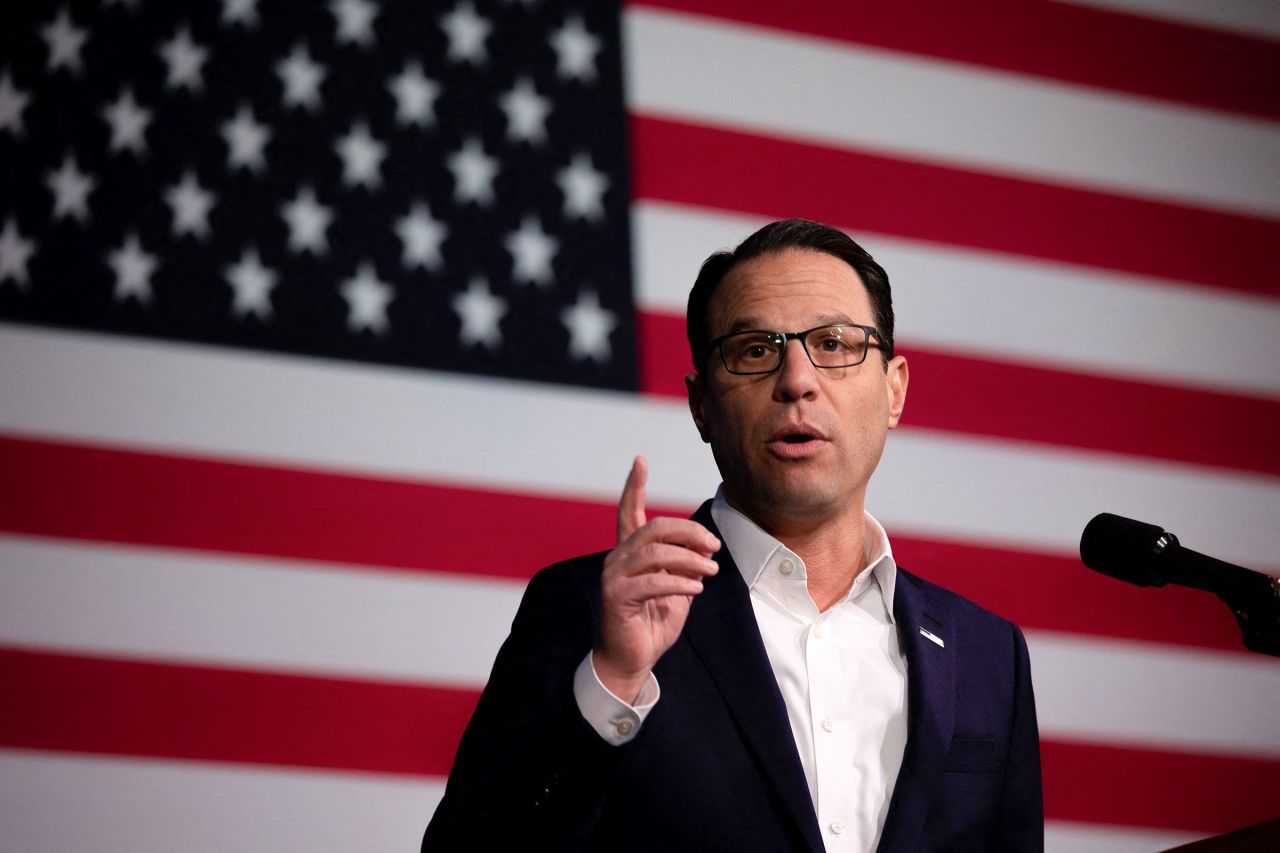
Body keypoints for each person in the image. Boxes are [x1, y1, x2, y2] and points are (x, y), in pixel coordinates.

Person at [422, 219, 1043, 852]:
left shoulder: (987, 655)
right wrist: (612, 683)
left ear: (893, 391)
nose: (798, 380)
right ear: (701, 406)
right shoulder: (590, 610)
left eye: (833, 343)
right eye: (754, 349)